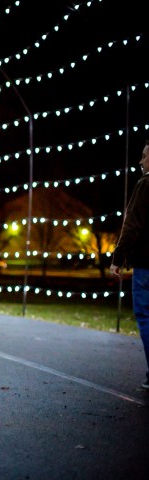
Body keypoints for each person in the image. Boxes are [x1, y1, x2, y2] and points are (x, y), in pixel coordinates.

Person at [110, 140, 149, 390]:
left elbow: (132, 224)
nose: (141, 161)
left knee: (145, 315)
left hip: (146, 265)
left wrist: (117, 257)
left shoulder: (145, 184)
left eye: (145, 156)